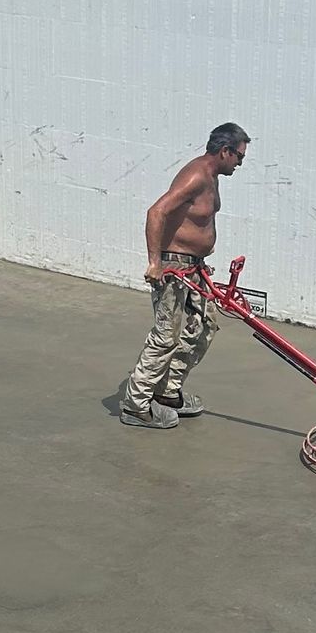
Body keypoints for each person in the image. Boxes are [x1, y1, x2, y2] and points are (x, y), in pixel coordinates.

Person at [119, 124, 251, 428]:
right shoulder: (196, 176)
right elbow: (157, 212)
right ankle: (136, 406)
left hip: (194, 266)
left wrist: (199, 259)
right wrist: (155, 263)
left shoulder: (212, 177)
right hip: (173, 267)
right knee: (166, 336)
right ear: (225, 151)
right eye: (239, 157)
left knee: (205, 326)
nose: (240, 163)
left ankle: (167, 391)